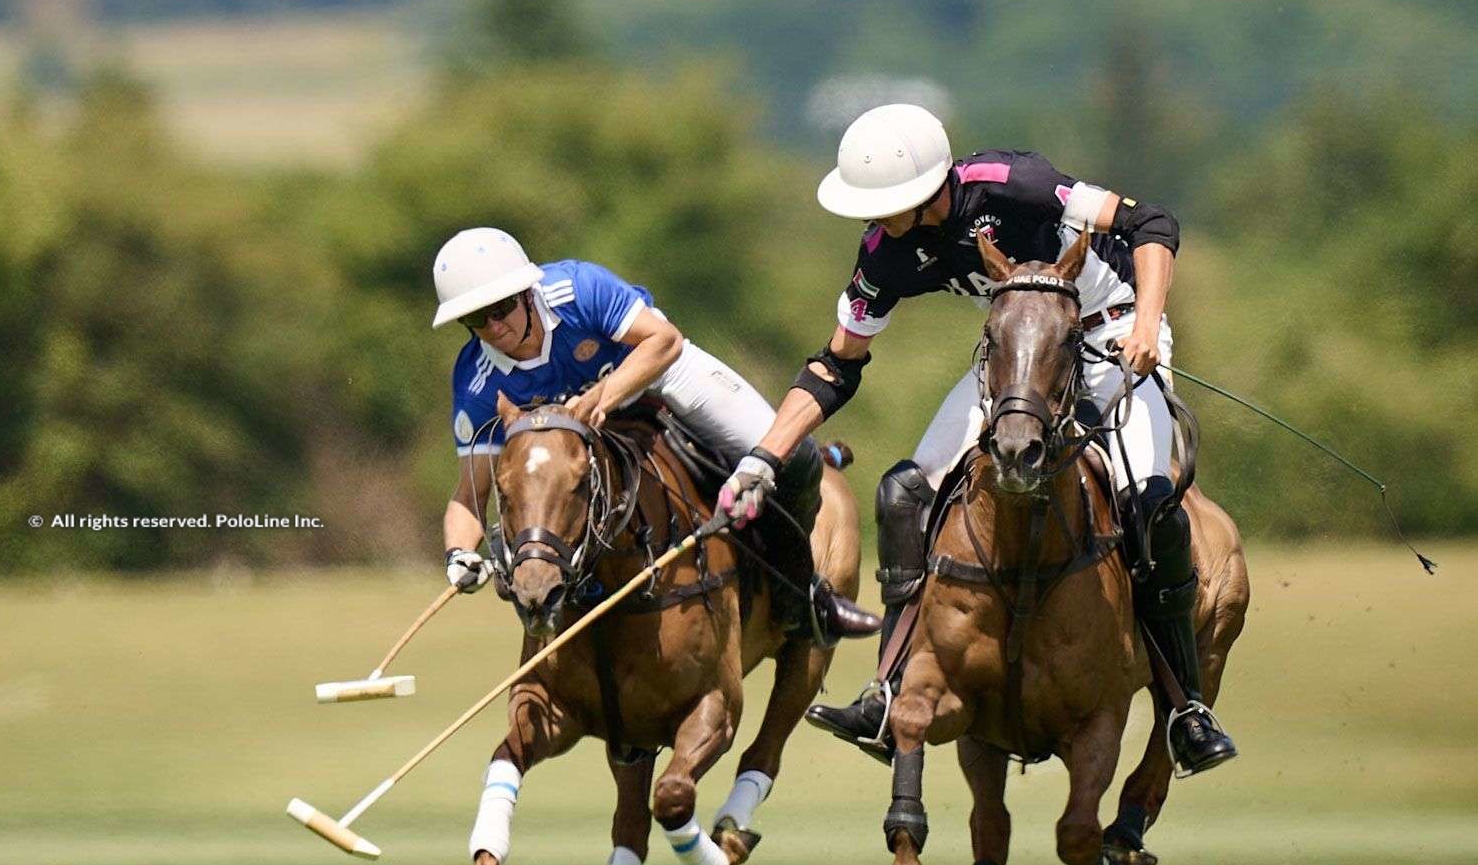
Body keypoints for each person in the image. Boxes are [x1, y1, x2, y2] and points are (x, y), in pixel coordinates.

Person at [715, 104, 1236, 775]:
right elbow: (836, 365)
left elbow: (1151, 222)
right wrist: (767, 454)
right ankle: (888, 687)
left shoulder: (1011, 184)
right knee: (905, 491)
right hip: (1020, 351)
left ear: (932, 189)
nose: (875, 222)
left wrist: (1146, 327)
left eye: (887, 205)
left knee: (1149, 501)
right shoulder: (886, 250)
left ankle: (1185, 705)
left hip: (1114, 330)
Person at [434, 226, 878, 642]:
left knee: (794, 455)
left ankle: (804, 599)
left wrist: (604, 397)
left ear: (528, 293)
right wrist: (458, 554)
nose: (494, 328)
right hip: (585, 433)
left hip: (660, 376)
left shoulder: (577, 290)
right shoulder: (476, 378)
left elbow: (665, 341)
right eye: (476, 319)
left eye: (501, 309)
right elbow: (469, 493)